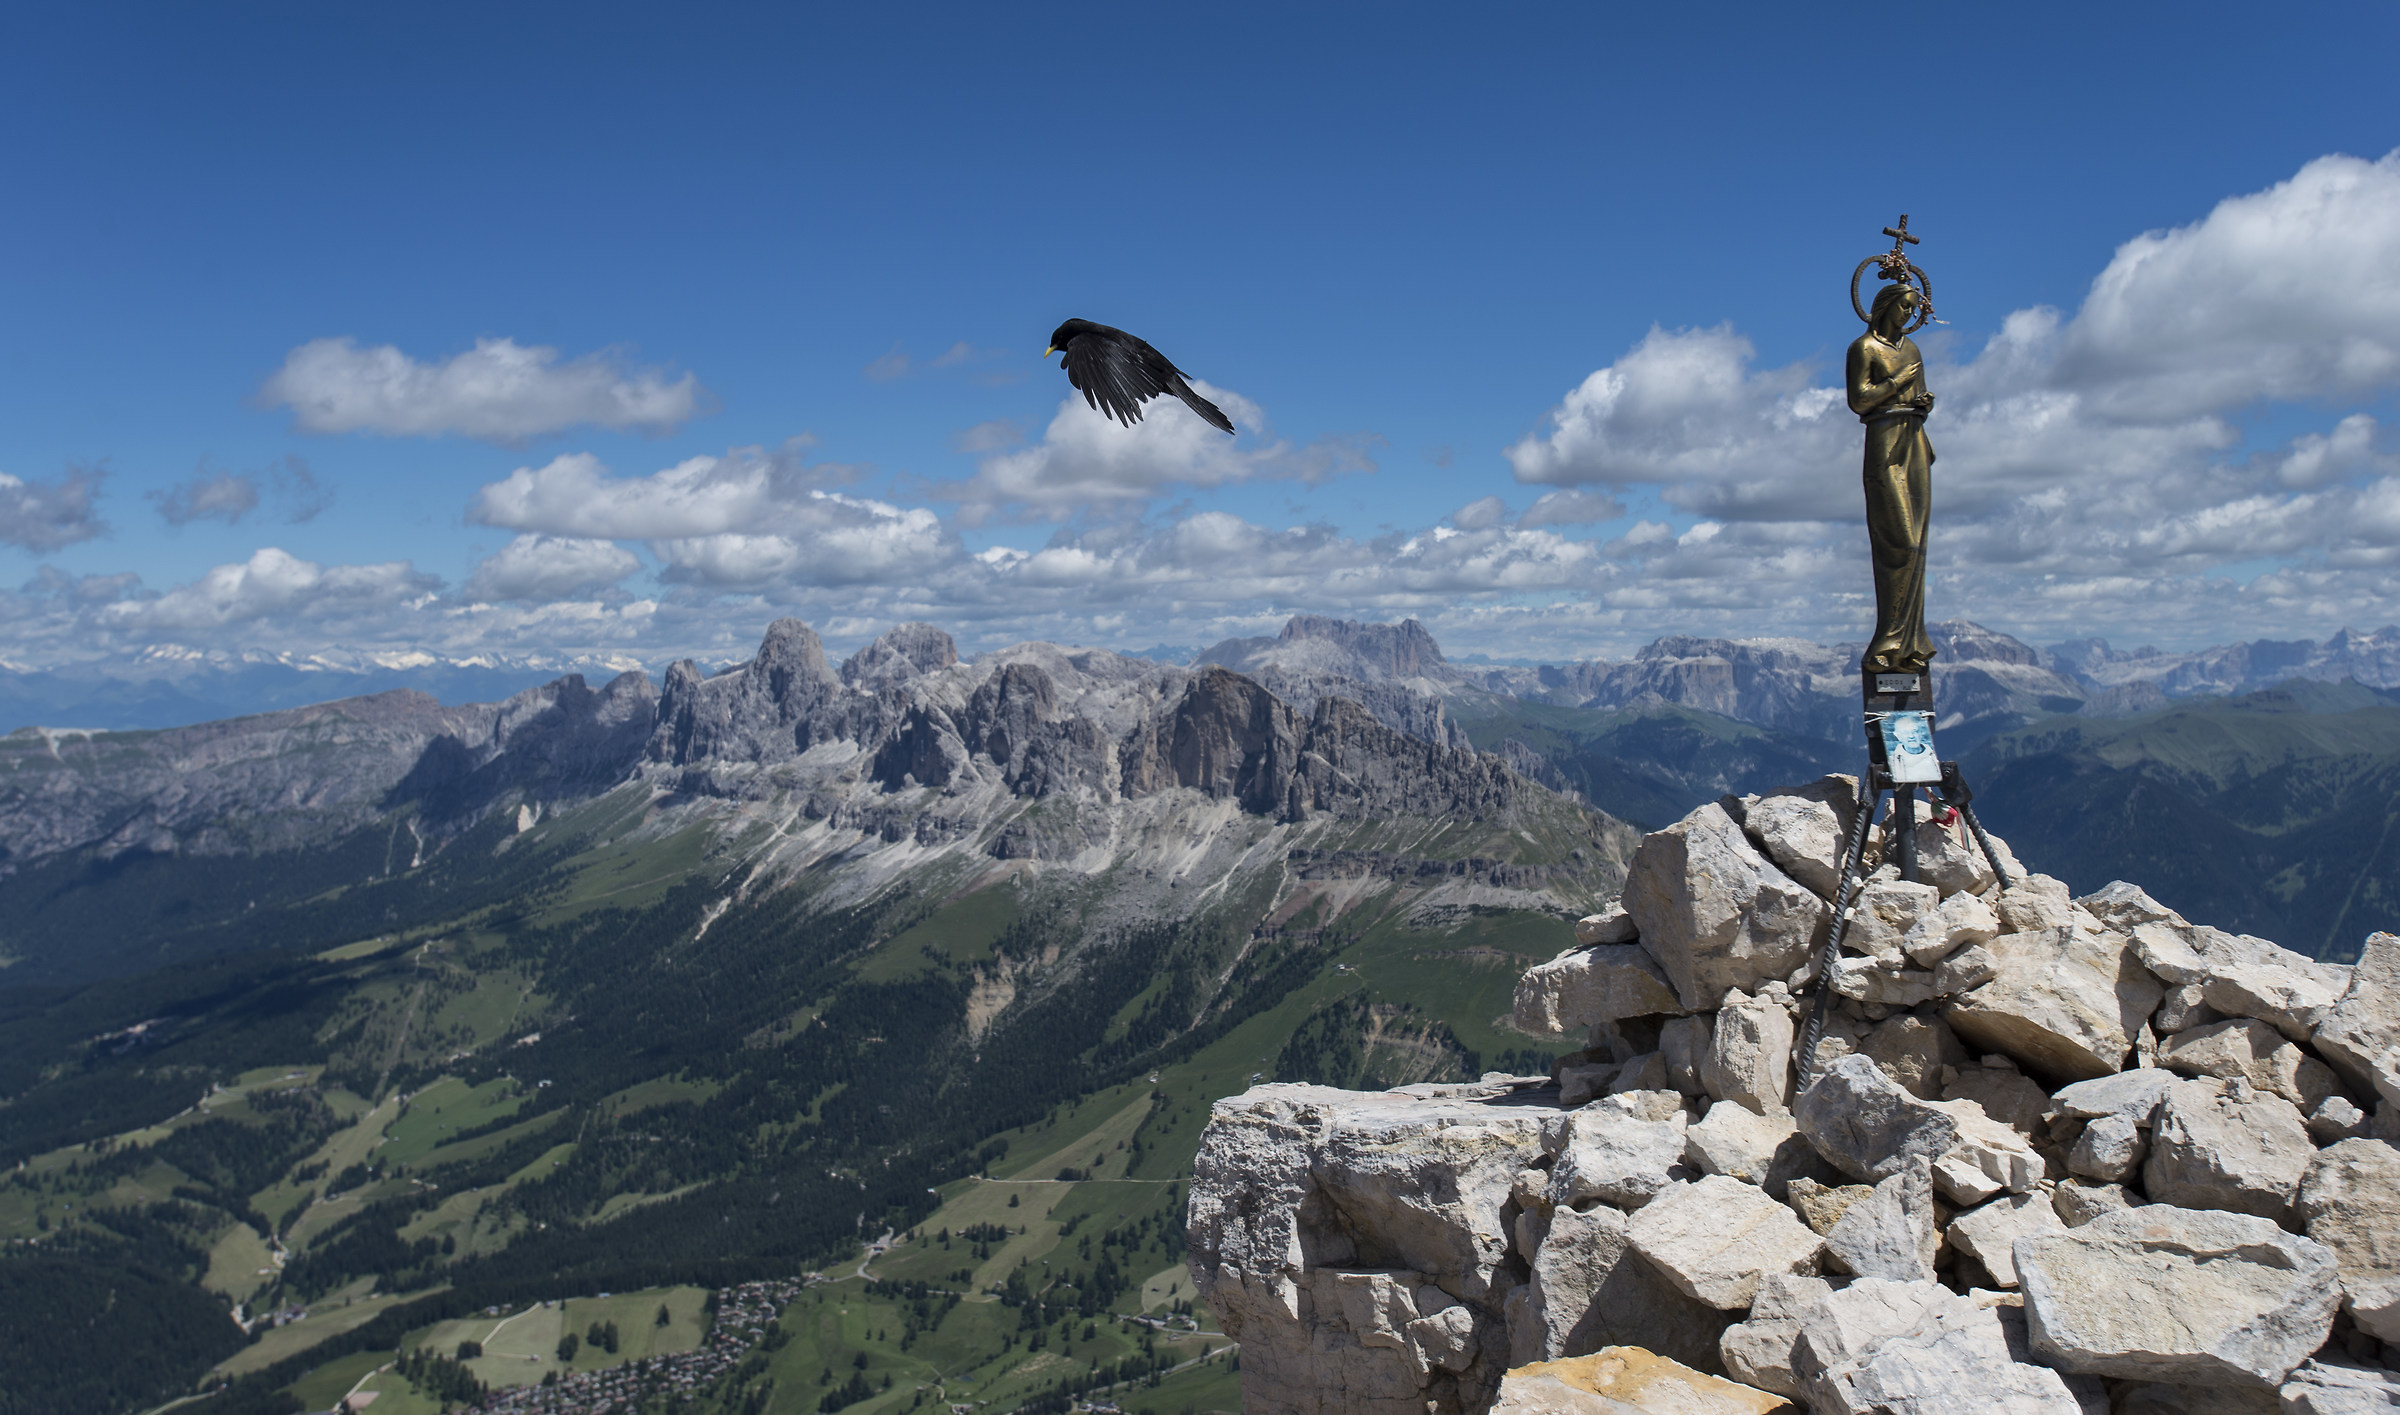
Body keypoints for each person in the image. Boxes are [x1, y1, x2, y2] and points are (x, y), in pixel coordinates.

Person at [1847, 280, 1937, 675]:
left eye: (1915, 308)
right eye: (1905, 307)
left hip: (1914, 439)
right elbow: (1859, 400)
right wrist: (1897, 384)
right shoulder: (1863, 349)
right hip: (1884, 444)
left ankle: (1910, 645)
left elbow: (1918, 392)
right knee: (1898, 542)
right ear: (1885, 306)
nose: (1911, 314)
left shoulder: (1913, 350)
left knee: (1917, 544)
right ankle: (1885, 642)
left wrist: (1921, 401)